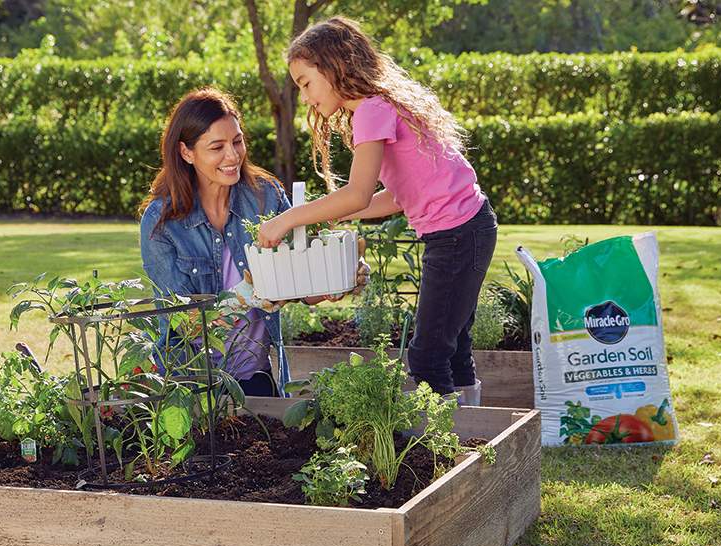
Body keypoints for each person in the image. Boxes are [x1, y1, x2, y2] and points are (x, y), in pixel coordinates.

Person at [255, 16, 498, 405]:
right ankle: (475, 430)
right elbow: (396, 197)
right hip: (469, 229)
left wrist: (289, 218)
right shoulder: (380, 105)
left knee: (428, 358)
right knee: (452, 350)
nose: (305, 97)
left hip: (456, 235)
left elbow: (357, 193)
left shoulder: (371, 110)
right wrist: (335, 214)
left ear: (333, 66)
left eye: (306, 83)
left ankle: (448, 438)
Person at [138, 88, 294, 397]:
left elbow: (298, 275)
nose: (233, 156)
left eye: (237, 141)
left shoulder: (266, 196)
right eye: (217, 147)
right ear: (187, 153)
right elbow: (183, 323)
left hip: (256, 375)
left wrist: (337, 274)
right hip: (191, 382)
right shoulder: (161, 222)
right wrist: (243, 297)